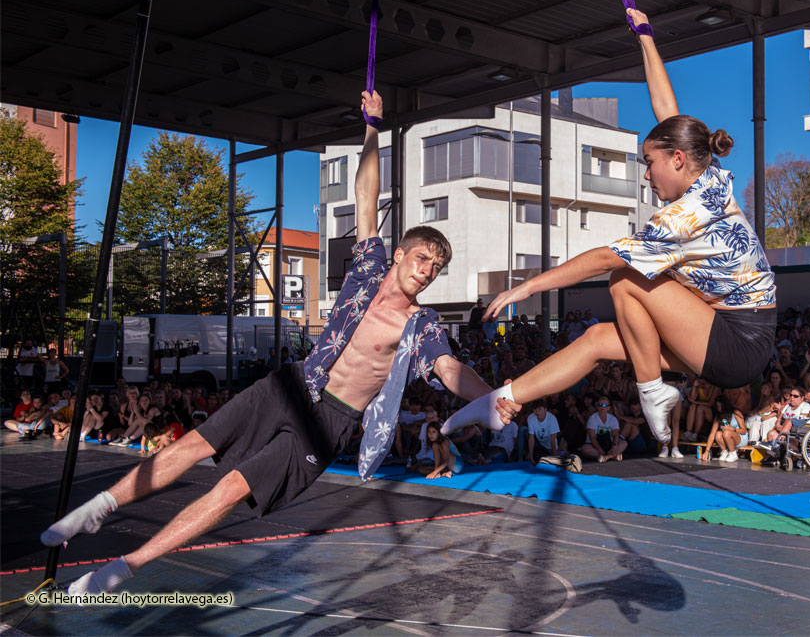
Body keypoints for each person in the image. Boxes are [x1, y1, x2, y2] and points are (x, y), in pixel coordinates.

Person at [43, 91, 521, 597]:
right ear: (399, 253)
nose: (427, 272)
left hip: (329, 421)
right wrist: (371, 127)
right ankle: (99, 509)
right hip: (292, 385)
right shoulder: (365, 272)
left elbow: (448, 369)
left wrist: (492, 396)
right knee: (193, 445)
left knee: (230, 488)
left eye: (436, 268)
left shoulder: (421, 325)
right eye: (423, 259)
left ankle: (125, 568)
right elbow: (366, 197)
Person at [443, 7, 775, 446]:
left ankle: (653, 390)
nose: (645, 174)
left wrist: (526, 287)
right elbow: (667, 110)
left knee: (623, 276)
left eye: (648, 163)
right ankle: (500, 402)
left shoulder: (682, 217)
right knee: (598, 339)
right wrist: (646, 39)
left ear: (676, 160)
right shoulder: (708, 174)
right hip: (724, 329)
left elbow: (602, 258)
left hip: (736, 339)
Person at [700, 395, 746, 463]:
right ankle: (724, 451)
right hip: (727, 438)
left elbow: (744, 431)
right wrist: (707, 451)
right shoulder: (718, 417)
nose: (719, 408)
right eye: (718, 406)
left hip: (740, 437)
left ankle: (733, 453)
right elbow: (712, 434)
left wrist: (731, 429)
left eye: (721, 406)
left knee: (726, 432)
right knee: (718, 434)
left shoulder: (736, 413)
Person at [581, 395, 627, 463]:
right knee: (585, 449)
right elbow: (592, 437)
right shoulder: (592, 418)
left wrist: (614, 447)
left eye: (605, 405)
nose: (602, 407)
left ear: (608, 408)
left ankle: (606, 457)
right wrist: (599, 449)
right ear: (597, 407)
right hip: (595, 445)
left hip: (609, 444)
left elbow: (615, 435)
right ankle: (613, 456)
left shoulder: (613, 419)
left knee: (624, 443)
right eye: (600, 405)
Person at [526, 400, 562, 465]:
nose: (537, 412)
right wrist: (531, 457)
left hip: (550, 448)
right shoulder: (531, 418)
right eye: (535, 409)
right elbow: (531, 437)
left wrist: (554, 458)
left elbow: (552, 439)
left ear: (545, 409)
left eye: (539, 409)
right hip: (539, 445)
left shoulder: (552, 418)